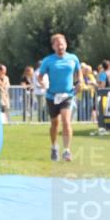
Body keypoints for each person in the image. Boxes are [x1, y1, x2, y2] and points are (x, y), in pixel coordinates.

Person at [39, 33, 83, 161]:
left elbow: (78, 71)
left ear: (66, 44)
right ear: (53, 46)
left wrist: (80, 81)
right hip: (52, 96)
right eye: (57, 44)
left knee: (66, 121)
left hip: (67, 95)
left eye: (62, 44)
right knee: (54, 124)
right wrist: (42, 83)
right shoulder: (48, 60)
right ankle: (54, 147)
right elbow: (40, 77)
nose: (60, 46)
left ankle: (67, 151)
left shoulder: (73, 58)